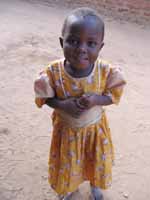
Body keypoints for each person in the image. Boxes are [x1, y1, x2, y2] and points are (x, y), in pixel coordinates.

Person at [34, 7, 126, 200]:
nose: (81, 48)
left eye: (91, 43)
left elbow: (114, 95)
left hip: (94, 132)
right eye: (73, 41)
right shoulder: (53, 72)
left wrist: (95, 100)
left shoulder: (105, 71)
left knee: (95, 161)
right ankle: (68, 188)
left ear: (100, 47)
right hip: (67, 132)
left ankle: (95, 185)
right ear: (62, 42)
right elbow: (44, 97)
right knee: (68, 163)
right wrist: (62, 104)